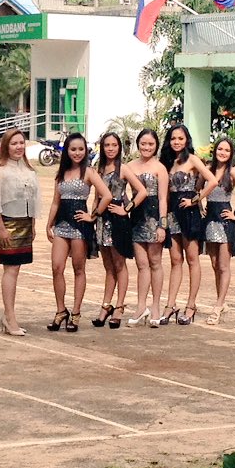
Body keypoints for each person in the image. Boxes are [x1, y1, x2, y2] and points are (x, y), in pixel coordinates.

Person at [0, 128, 41, 336]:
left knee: (16, 269)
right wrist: (1, 228)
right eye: (14, 143)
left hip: (24, 224)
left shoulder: (28, 170)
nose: (18, 147)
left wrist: (32, 225)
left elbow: (32, 200)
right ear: (5, 146)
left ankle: (8, 315)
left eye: (21, 143)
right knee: (10, 269)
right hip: (6, 223)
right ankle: (10, 316)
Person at [45, 132, 112, 332]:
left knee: (78, 268)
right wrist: (49, 224)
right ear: (67, 150)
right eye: (73, 149)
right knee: (56, 267)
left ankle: (75, 312)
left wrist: (93, 215)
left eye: (81, 149)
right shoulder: (61, 173)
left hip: (80, 226)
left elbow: (106, 195)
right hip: (61, 224)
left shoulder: (89, 172)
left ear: (86, 151)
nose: (77, 153)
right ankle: (60, 311)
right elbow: (56, 201)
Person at [160, 123, 217, 325]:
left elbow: (212, 181)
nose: (176, 142)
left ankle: (191, 305)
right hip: (172, 212)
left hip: (189, 213)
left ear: (187, 140)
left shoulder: (192, 159)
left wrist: (195, 199)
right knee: (175, 260)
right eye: (173, 138)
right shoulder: (166, 162)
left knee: (192, 259)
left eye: (180, 138)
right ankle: (170, 304)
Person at [90, 131, 146, 329]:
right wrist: (92, 216)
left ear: (119, 147)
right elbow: (96, 197)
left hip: (118, 220)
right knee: (108, 266)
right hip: (101, 219)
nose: (111, 148)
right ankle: (106, 305)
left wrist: (126, 209)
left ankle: (120, 306)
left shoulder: (123, 169)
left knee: (119, 264)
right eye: (107, 145)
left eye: (114, 145)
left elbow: (142, 191)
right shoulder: (98, 169)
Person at [203, 136, 235, 326]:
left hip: (225, 222)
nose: (222, 153)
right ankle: (221, 302)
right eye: (220, 149)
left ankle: (217, 306)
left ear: (231, 154)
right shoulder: (207, 170)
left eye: (226, 150)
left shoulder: (232, 172)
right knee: (215, 264)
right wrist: (201, 208)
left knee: (224, 266)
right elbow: (197, 191)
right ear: (215, 151)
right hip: (209, 222)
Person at [127, 129, 171, 327]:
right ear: (138, 144)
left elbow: (163, 198)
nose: (146, 147)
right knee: (141, 265)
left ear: (156, 146)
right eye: (143, 144)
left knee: (155, 263)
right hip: (136, 217)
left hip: (154, 217)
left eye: (151, 144)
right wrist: (126, 206)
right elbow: (120, 191)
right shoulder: (128, 166)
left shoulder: (160, 168)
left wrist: (162, 225)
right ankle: (140, 306)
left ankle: (155, 306)